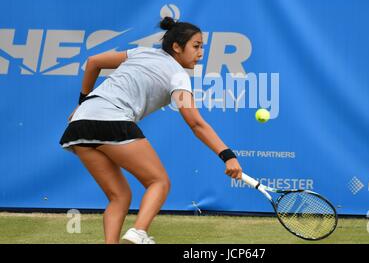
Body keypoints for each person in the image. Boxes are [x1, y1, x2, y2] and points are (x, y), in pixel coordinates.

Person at [59, 17, 243, 244]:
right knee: (159, 182)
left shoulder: (141, 53)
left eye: (202, 47)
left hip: (79, 124)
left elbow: (94, 61)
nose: (201, 53)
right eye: (196, 46)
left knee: (120, 197)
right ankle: (139, 232)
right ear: (177, 47)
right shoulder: (178, 76)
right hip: (113, 119)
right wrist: (227, 155)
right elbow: (195, 123)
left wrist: (83, 101)